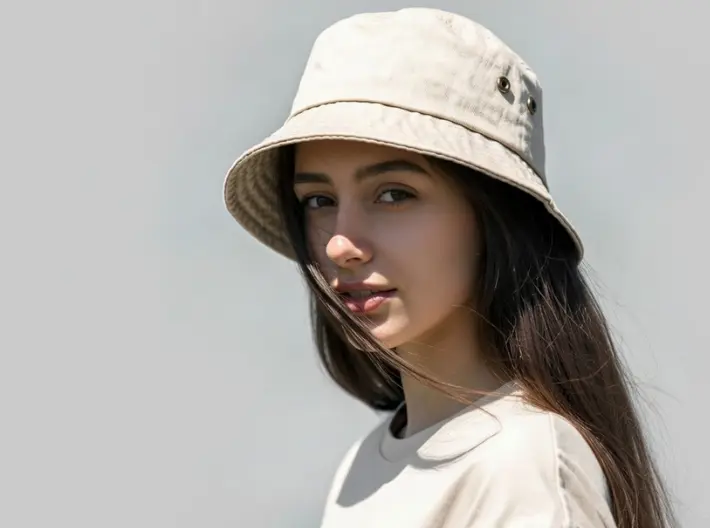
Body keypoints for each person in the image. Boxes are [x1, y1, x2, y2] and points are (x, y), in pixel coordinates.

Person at [222, 7, 674, 528]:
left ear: (493, 218)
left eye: (394, 194)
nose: (340, 244)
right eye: (318, 200)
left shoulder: (522, 464)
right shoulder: (367, 465)